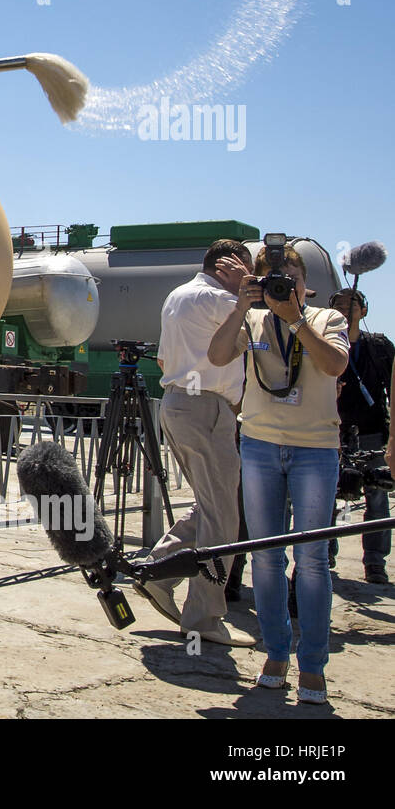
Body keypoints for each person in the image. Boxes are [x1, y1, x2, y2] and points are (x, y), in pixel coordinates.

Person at [208, 244, 349, 705]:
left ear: (305, 284)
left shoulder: (328, 319)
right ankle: (274, 653)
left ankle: (312, 665)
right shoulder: (251, 320)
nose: (282, 288)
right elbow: (216, 356)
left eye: (289, 280)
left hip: (314, 449)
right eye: (273, 281)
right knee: (265, 556)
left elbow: (333, 364)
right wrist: (240, 306)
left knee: (310, 560)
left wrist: (296, 319)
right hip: (262, 445)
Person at [136, 240, 256, 647]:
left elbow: (167, 362)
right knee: (224, 519)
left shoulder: (179, 295)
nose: (251, 282)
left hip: (180, 403)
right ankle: (203, 618)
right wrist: (246, 291)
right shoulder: (219, 299)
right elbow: (267, 328)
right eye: (246, 272)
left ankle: (157, 570)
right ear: (229, 267)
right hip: (207, 408)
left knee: (211, 506)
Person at [331, 288, 394, 584]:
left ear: (364, 310)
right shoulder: (325, 343)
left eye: (352, 303)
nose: (346, 308)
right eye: (339, 304)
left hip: (371, 433)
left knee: (378, 498)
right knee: (325, 497)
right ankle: (326, 553)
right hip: (331, 431)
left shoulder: (379, 346)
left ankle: (375, 562)